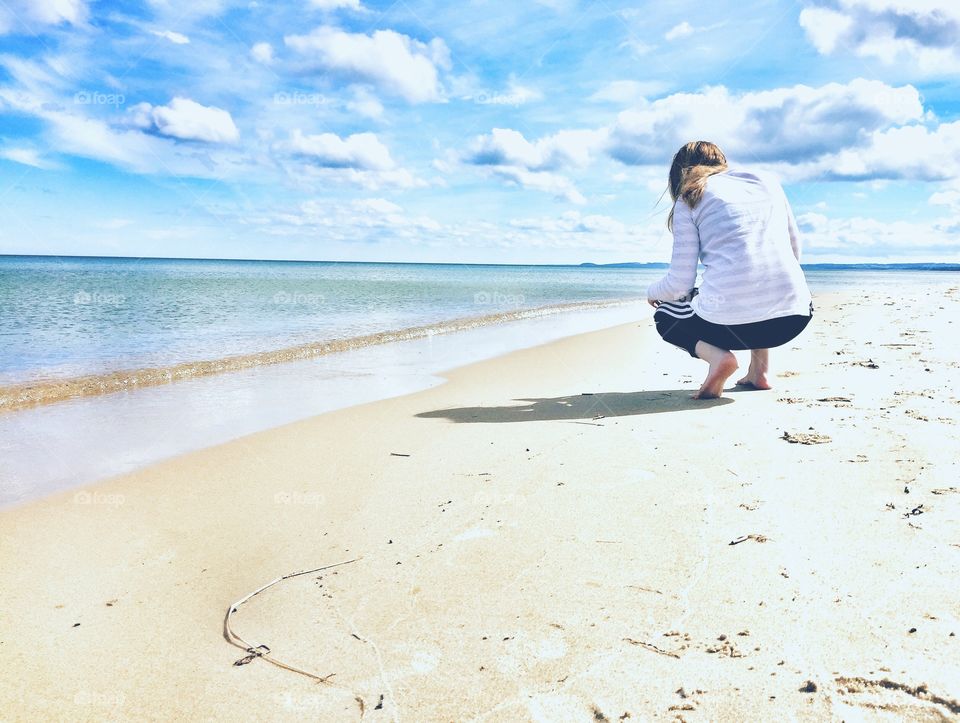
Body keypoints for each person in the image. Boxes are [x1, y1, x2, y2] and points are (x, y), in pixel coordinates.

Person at [647, 141, 813, 399]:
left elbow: (680, 284)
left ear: (679, 172)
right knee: (756, 286)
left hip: (729, 326)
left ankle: (719, 358)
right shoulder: (766, 182)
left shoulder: (690, 196)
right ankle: (760, 371)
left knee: (665, 315)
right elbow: (794, 251)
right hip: (794, 318)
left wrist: (653, 292)